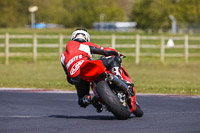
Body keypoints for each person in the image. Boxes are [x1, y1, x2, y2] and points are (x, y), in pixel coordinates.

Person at [60, 28, 122, 112]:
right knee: (114, 59)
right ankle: (117, 75)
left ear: (73, 36)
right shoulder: (85, 45)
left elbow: (68, 78)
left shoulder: (63, 56)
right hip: (86, 66)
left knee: (81, 101)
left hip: (77, 77)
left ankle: (89, 99)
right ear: (86, 37)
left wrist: (75, 80)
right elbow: (104, 51)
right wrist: (116, 53)